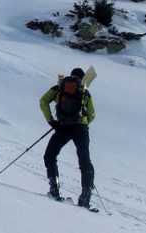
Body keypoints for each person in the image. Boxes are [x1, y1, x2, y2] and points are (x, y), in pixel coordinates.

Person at [39, 67, 96, 208]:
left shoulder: (59, 87)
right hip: (80, 128)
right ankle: (85, 196)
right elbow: (92, 114)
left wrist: (51, 121)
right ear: (83, 78)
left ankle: (54, 189)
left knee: (50, 155)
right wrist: (83, 123)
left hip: (63, 126)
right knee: (84, 160)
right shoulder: (84, 92)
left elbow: (43, 101)